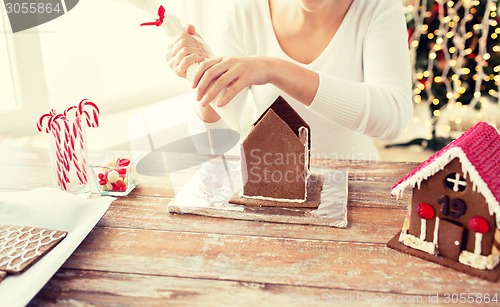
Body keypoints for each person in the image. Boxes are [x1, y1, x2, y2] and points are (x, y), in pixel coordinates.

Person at [166, 0, 413, 161]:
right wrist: (206, 77)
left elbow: (392, 120)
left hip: (358, 191)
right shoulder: (247, 11)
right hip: (270, 190)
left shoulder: (378, 7)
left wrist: (274, 69)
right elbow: (212, 146)